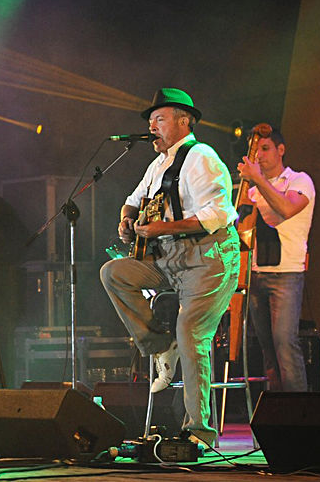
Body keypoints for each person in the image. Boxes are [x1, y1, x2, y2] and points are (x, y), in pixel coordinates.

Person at [99, 88, 240, 447]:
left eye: (159, 119)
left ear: (184, 121)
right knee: (114, 272)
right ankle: (161, 345)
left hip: (208, 258)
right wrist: (126, 221)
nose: (151, 127)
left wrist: (164, 228)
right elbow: (132, 202)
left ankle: (199, 431)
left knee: (191, 332)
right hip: (169, 259)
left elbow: (218, 214)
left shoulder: (201, 156)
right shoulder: (157, 165)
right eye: (151, 120)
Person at [237, 127, 314, 391]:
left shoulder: (299, 180)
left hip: (286, 273)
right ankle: (276, 408)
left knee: (284, 343)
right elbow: (240, 230)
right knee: (267, 349)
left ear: (281, 150)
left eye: (265, 148)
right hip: (256, 273)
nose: (259, 155)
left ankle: (298, 411)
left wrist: (258, 180)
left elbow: (286, 208)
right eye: (255, 150)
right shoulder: (253, 189)